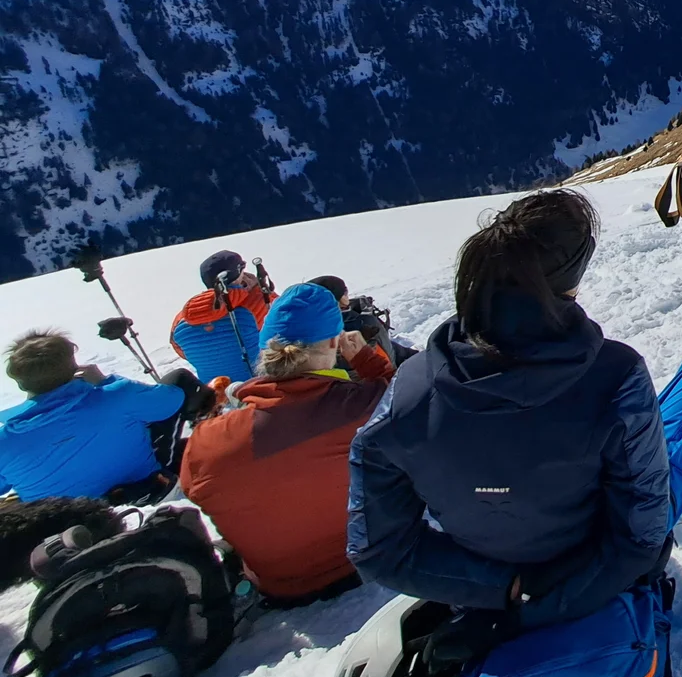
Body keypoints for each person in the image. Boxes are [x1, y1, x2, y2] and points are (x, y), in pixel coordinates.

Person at [348, 189, 682, 648]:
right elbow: (641, 536)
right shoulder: (615, 375)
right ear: (571, 280)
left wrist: (503, 588)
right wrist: (549, 597)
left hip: (488, 583)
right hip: (596, 575)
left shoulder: (408, 393)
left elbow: (375, 549)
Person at [180, 283, 393, 606]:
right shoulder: (362, 405)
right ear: (335, 342)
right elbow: (405, 400)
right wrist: (365, 357)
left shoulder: (207, 442)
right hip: (368, 558)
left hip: (280, 587)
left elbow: (195, 487)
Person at [0, 331, 208, 502]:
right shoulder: (116, 395)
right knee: (178, 381)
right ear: (74, 368)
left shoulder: (5, 439)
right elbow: (173, 400)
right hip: (146, 491)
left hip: (64, 531)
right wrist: (105, 381)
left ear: (20, 383)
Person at [171, 250, 274, 384]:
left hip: (216, 394)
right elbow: (287, 326)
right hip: (259, 385)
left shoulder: (181, 320)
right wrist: (256, 289)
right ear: (237, 273)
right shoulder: (257, 303)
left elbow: (181, 351)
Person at [306, 275, 412, 365]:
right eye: (344, 292)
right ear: (338, 298)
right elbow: (386, 358)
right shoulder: (360, 323)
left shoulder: (302, 329)